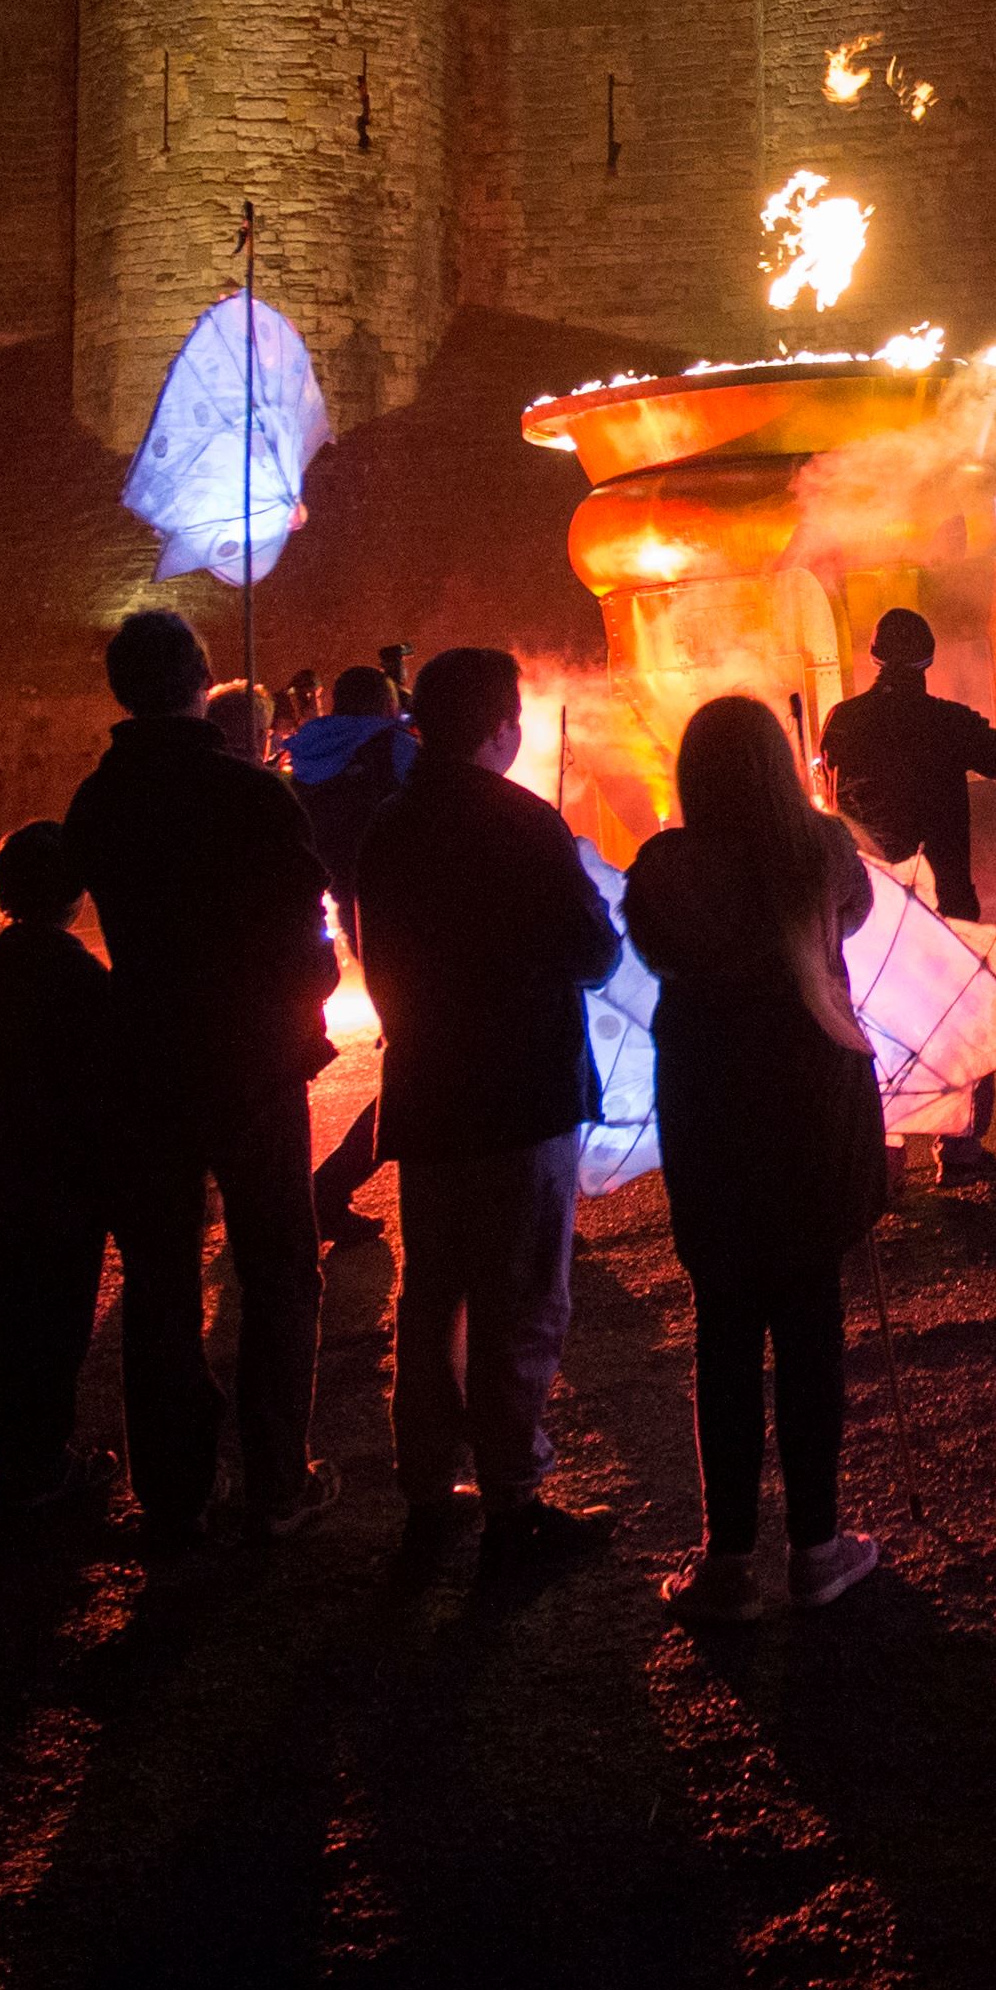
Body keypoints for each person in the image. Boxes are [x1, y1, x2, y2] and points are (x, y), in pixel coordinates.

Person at [64, 608, 342, 1544]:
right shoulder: (250, 795)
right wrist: (307, 995)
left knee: (160, 1281)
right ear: (199, 681)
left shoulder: (98, 801)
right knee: (278, 1267)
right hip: (254, 1059)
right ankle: (276, 1478)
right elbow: (307, 925)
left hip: (147, 1060)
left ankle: (174, 1489)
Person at [357, 648, 623, 1568]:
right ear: (503, 727)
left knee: (434, 1296)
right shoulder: (522, 823)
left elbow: (374, 957)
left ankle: (428, 1489)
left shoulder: (390, 825)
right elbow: (593, 954)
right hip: (521, 1094)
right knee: (517, 1300)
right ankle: (513, 1502)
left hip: (429, 1092)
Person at [632, 691, 889, 1621]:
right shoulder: (820, 850)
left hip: (709, 1111)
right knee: (811, 1323)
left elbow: (653, 949)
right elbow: (853, 916)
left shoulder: (664, 869)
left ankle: (728, 1560)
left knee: (725, 1331)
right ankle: (816, 1549)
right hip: (809, 1106)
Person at [0, 821, 129, 1514]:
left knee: (11, 1318)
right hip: (62, 1185)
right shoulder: (78, 977)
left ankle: (16, 1456)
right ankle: (42, 1460)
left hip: (2, 1182)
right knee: (59, 1323)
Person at [821, 607, 996, 1182]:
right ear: (928, 659)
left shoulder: (842, 721)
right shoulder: (944, 722)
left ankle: (885, 1161)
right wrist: (971, 730)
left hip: (866, 905)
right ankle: (958, 1150)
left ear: (874, 657)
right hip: (944, 904)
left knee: (879, 1026)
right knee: (960, 1020)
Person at [289, 663, 417, 1241]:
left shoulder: (308, 755)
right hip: (412, 913)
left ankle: (328, 1191)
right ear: (386, 705)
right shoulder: (393, 748)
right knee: (424, 1059)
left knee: (415, 1049)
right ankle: (328, 1190)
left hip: (354, 912)